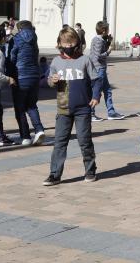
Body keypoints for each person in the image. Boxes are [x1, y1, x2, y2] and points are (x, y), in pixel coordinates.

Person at [43, 26, 101, 186]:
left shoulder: (85, 60)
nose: (68, 46)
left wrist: (96, 96)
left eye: (71, 42)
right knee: (60, 142)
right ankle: (55, 174)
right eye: (65, 43)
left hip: (82, 109)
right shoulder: (56, 61)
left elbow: (96, 80)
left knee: (84, 140)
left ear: (77, 42)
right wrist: (51, 81)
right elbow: (48, 81)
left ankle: (90, 170)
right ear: (59, 43)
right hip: (63, 108)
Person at [10, 20, 46, 146]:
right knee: (32, 105)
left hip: (21, 76)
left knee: (20, 108)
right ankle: (39, 129)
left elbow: (12, 57)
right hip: (34, 76)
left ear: (19, 29)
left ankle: (25, 136)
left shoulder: (16, 39)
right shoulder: (34, 38)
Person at [89, 21, 125, 121]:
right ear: (104, 31)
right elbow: (98, 56)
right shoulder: (99, 40)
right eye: (108, 29)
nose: (109, 31)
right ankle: (91, 113)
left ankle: (111, 112)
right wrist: (108, 52)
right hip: (99, 68)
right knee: (96, 91)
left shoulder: (98, 39)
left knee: (107, 90)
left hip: (99, 68)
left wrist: (108, 41)